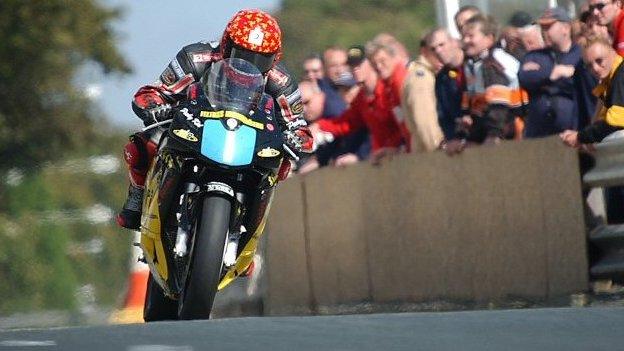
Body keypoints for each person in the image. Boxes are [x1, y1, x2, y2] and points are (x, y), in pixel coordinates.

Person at [116, 9, 314, 230]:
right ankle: (137, 195)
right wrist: (155, 106)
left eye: (261, 59)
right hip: (195, 126)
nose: (248, 64)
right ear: (225, 44)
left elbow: (299, 126)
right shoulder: (195, 58)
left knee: (283, 163)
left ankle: (251, 232)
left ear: (274, 58)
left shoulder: (282, 82)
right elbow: (153, 92)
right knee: (143, 145)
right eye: (240, 54)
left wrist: (295, 138)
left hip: (249, 141)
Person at [310, 45, 404, 165]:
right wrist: (319, 126)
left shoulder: (388, 90)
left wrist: (395, 147)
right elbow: (346, 122)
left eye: (359, 64)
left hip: (401, 154)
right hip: (381, 159)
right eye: (352, 66)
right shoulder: (361, 98)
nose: (355, 69)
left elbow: (404, 122)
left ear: (370, 64)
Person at [446, 14, 523, 154]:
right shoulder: (473, 64)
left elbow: (500, 106)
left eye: (471, 36)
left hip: (512, 132)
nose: (466, 40)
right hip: (492, 130)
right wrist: (464, 137)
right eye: (463, 36)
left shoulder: (493, 63)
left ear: (489, 38)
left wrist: (494, 135)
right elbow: (474, 108)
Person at [518, 7, 597, 137]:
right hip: (539, 133)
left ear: (565, 28)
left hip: (572, 132)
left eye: (548, 27)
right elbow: (525, 78)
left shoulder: (581, 54)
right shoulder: (534, 56)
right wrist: (553, 73)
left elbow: (586, 84)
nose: (544, 32)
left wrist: (543, 80)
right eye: (542, 27)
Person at [401, 34, 445, 152]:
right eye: (434, 49)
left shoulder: (433, 74)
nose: (440, 52)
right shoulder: (421, 78)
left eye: (443, 47)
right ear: (424, 51)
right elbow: (425, 124)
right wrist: (438, 149)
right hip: (431, 155)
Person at [367, 35, 411, 154]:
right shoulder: (388, 85)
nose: (379, 67)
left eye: (382, 61)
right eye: (374, 64)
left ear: (393, 58)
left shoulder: (399, 80)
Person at [428, 28, 465, 141]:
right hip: (461, 141)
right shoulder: (441, 79)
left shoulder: (473, 65)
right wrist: (452, 138)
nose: (438, 51)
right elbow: (443, 115)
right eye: (434, 49)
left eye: (441, 45)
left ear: (454, 42)